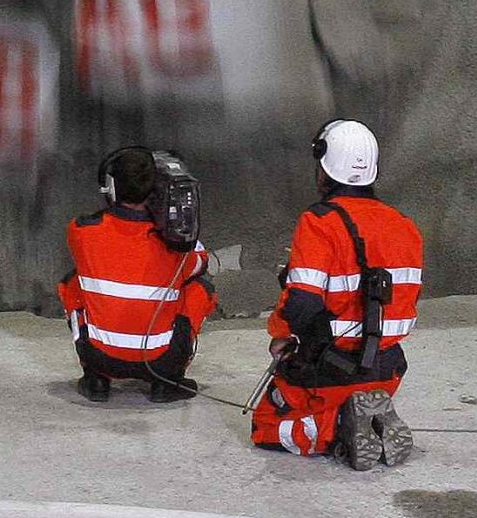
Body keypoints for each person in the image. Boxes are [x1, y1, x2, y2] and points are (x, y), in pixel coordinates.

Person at [250, 120, 424, 470]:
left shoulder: (319, 223)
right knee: (346, 392)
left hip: (330, 370)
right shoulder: (405, 226)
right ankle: (371, 420)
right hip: (387, 369)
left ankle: (339, 425)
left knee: (266, 426)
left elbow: (302, 305)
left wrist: (282, 337)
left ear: (323, 167)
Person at [57, 147, 215, 403]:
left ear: (110, 187)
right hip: (161, 361)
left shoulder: (80, 231)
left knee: (72, 284)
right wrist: (181, 229)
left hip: (101, 358)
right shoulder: (173, 244)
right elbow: (200, 262)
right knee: (199, 289)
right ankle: (168, 381)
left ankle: (95, 377)